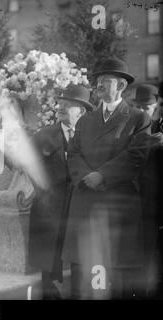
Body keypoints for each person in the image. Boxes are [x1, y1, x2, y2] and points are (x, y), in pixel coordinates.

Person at [64, 58, 151, 299]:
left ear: (121, 86)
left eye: (105, 81)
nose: (98, 85)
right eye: (98, 81)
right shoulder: (85, 120)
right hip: (85, 205)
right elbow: (73, 153)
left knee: (115, 279)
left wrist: (101, 175)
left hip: (117, 208)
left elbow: (136, 156)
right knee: (83, 277)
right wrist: (86, 177)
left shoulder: (138, 119)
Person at [28, 84, 94, 299]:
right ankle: (48, 287)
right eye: (60, 103)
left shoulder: (90, 137)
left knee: (79, 254)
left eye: (68, 104)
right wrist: (44, 191)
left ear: (81, 111)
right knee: (48, 253)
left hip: (79, 204)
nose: (61, 107)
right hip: (50, 204)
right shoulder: (43, 135)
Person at [134, 82, 163, 298]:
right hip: (136, 199)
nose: (144, 112)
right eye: (140, 107)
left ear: (156, 107)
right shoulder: (133, 127)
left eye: (148, 108)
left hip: (155, 201)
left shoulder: (159, 130)